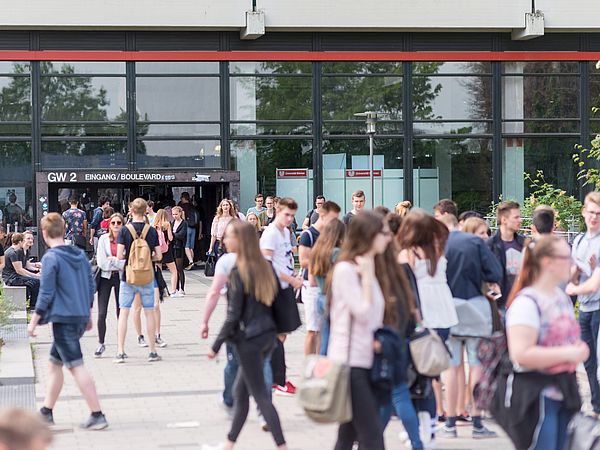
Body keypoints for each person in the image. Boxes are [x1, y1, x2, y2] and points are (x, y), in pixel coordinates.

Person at [205, 222, 287, 450]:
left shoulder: (238, 272)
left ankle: (282, 446)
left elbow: (233, 315)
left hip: (249, 340)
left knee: (261, 397)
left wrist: (215, 345)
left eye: (229, 236)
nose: (224, 240)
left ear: (240, 241)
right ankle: (228, 444)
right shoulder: (266, 267)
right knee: (241, 395)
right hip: (267, 337)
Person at [27, 212, 108, 430]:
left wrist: (33, 322)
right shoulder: (79, 255)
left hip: (64, 319)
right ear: (64, 230)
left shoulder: (51, 258)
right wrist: (88, 314)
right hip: (78, 316)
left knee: (76, 366)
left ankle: (97, 414)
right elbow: (91, 286)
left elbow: (46, 293)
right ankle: (46, 411)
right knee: (54, 364)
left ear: (44, 233)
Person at [506, 235, 588, 450]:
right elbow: (521, 354)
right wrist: (570, 354)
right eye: (566, 258)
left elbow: (570, 339)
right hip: (537, 397)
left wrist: (579, 349)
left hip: (565, 391)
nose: (572, 264)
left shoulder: (560, 298)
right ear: (547, 263)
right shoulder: (526, 303)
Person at [438, 212, 502, 439]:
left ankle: (451, 422)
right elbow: (495, 272)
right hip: (475, 307)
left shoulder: (441, 243)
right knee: (476, 365)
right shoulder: (475, 242)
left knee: (453, 367)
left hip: (449, 308)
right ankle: (476, 421)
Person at [329, 211, 389, 450]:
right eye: (383, 233)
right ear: (369, 236)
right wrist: (366, 279)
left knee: (348, 433)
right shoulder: (347, 270)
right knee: (372, 435)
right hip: (349, 361)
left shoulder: (367, 267)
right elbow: (362, 312)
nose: (389, 238)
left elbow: (375, 315)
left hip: (366, 358)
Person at [397, 210, 458, 435]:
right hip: (444, 313)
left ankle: (418, 428)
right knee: (434, 372)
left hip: (422, 315)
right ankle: (431, 425)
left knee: (417, 376)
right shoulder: (438, 250)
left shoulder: (408, 254)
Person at [260, 198, 303, 396]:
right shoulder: (270, 234)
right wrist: (290, 279)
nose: (289, 219)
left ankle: (274, 376)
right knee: (278, 334)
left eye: (292, 216)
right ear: (277, 211)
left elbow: (284, 260)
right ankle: (275, 378)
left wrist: (294, 275)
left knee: (283, 333)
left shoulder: (286, 232)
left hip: (285, 286)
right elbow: (267, 265)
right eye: (286, 214)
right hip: (275, 288)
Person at [113, 198, 162, 364]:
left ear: (131, 211)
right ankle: (152, 350)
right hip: (147, 276)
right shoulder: (152, 230)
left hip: (128, 276)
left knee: (124, 312)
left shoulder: (125, 231)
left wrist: (131, 258)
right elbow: (159, 255)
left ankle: (120, 351)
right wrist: (147, 257)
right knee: (149, 312)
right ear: (146, 211)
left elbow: (120, 255)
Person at [564, 191, 600, 416]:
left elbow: (594, 284)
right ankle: (596, 404)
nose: (594, 217)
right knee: (587, 360)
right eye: (592, 212)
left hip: (598, 307)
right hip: (585, 308)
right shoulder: (578, 240)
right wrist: (575, 275)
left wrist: (572, 288)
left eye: (599, 213)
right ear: (584, 212)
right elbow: (572, 276)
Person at [298, 200, 341, 355]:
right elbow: (303, 261)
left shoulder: (330, 235)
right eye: (333, 218)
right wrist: (326, 260)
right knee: (312, 330)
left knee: (323, 330)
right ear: (322, 215)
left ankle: (319, 363)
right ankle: (309, 364)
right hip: (311, 285)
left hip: (326, 285)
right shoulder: (308, 234)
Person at [309, 219, 345, 355]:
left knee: (324, 336)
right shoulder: (336, 253)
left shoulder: (317, 251)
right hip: (333, 296)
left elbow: (312, 281)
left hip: (320, 294)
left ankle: (322, 366)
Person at [94, 213, 125, 358]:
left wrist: (113, 260)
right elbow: (102, 262)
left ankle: (121, 346)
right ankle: (101, 343)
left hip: (120, 278)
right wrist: (118, 261)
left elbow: (128, 262)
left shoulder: (125, 238)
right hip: (105, 278)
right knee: (101, 313)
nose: (116, 225)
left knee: (121, 313)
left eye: (119, 222)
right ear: (109, 225)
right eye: (113, 223)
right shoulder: (103, 239)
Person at [487, 200, 526, 311]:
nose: (520, 220)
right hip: (500, 304)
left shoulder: (524, 244)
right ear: (504, 220)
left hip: (522, 303)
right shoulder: (490, 245)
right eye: (516, 217)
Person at [2, 233, 40, 311]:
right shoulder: (12, 253)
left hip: (14, 276)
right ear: (20, 242)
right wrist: (34, 276)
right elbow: (19, 270)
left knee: (31, 284)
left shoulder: (16, 251)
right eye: (23, 241)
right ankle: (33, 306)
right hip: (11, 278)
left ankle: (28, 303)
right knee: (37, 282)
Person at [154, 209, 178, 298]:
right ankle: (173, 291)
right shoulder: (167, 224)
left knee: (159, 271)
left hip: (158, 251)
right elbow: (171, 238)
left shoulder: (154, 226)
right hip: (167, 251)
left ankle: (161, 290)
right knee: (174, 271)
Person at [171, 206, 187, 298]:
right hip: (173, 247)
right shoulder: (172, 222)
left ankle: (182, 288)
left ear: (180, 213)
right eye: (173, 214)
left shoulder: (184, 223)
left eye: (176, 214)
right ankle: (175, 288)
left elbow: (182, 235)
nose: (175, 216)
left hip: (179, 247)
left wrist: (172, 234)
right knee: (174, 269)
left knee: (179, 268)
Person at [179, 192, 198, 270]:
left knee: (186, 246)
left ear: (183, 198)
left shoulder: (183, 207)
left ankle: (190, 262)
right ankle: (191, 262)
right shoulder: (192, 206)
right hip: (193, 227)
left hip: (187, 227)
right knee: (191, 247)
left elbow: (183, 217)